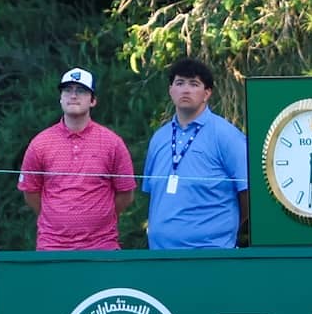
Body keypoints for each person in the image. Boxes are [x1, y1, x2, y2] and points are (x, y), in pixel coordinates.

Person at [17, 68, 137, 251]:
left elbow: (126, 194)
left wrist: (100, 217)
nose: (73, 96)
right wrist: (55, 218)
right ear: (60, 98)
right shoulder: (40, 143)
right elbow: (30, 192)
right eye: (67, 90)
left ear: (93, 100)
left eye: (81, 91)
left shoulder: (112, 143)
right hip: (52, 247)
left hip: (101, 246)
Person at [142, 57, 249, 250]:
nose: (185, 90)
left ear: (207, 93)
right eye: (179, 83)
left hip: (211, 253)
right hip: (160, 255)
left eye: (194, 84)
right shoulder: (159, 138)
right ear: (170, 90)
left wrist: (226, 228)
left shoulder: (227, 136)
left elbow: (249, 193)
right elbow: (153, 194)